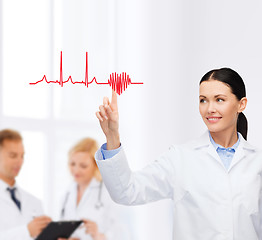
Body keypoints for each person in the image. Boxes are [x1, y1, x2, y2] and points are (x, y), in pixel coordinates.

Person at [95, 67, 262, 240]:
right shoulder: (180, 158)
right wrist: (112, 136)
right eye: (203, 100)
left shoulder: (257, 162)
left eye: (219, 100)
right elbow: (127, 191)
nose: (210, 108)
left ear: (241, 104)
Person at [58, 137, 126, 240]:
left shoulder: (107, 192)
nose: (76, 170)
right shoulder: (67, 194)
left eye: (83, 166)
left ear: (95, 165)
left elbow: (119, 233)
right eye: (72, 164)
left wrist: (97, 235)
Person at [0, 129, 51, 240]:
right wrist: (26, 231)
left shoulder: (34, 202)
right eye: (13, 156)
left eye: (22, 156)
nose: (19, 161)